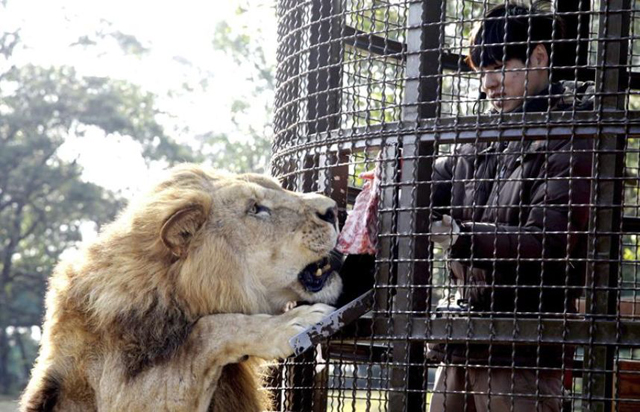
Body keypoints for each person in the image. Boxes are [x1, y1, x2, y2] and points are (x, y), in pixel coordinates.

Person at [427, 3, 594, 412]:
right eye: (482, 71)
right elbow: (437, 183)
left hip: (526, 348)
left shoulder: (573, 133)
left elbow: (549, 241)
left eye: (498, 67)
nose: (487, 84)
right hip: (463, 339)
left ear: (538, 58)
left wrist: (461, 237)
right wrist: (397, 179)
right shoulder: (481, 136)